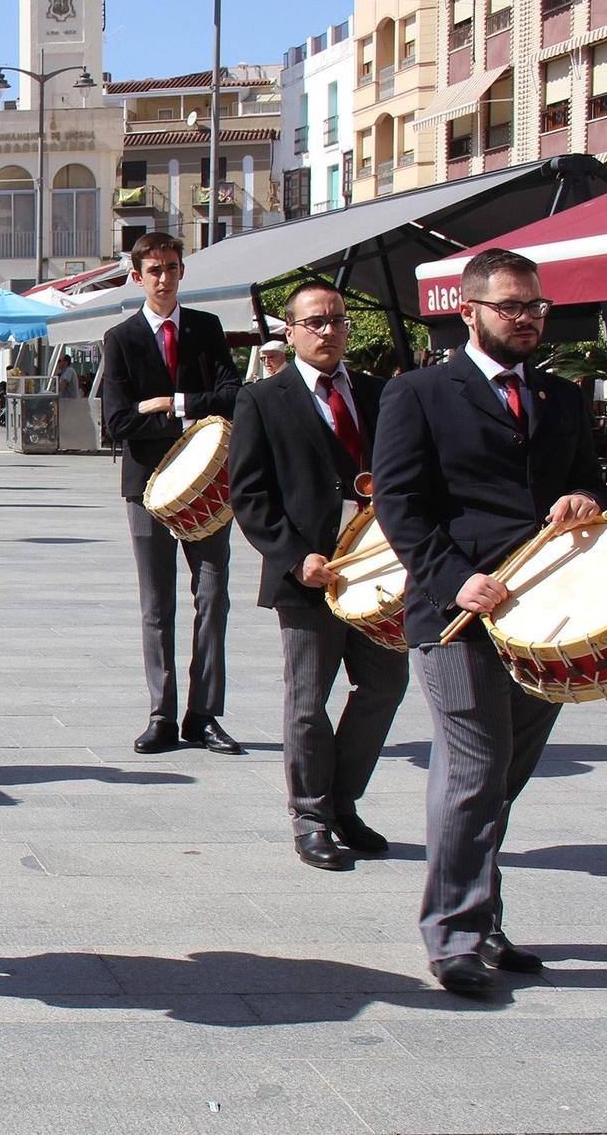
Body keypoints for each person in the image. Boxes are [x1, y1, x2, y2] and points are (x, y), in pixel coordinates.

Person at [372, 249, 605, 995]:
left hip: (543, 616)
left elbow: (588, 484)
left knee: (504, 776)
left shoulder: (562, 398)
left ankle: (483, 915)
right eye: (513, 306)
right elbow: (400, 505)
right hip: (454, 616)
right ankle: (454, 938)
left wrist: (581, 502)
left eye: (536, 306)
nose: (530, 318)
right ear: (468, 310)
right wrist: (454, 580)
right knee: (473, 769)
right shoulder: (418, 394)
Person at [228, 280, 408, 872]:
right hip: (309, 575)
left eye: (335, 319)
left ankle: (342, 802)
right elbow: (249, 495)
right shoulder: (263, 399)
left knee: (383, 686)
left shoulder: (384, 395)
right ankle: (309, 815)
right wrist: (293, 554)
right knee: (308, 701)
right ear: (291, 329)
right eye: (314, 322)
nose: (327, 330)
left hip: (379, 573)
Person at [100, 231, 243, 757]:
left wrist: (169, 402)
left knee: (213, 598)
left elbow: (233, 397)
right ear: (137, 276)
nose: (165, 277)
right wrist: (188, 413)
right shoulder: (121, 338)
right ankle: (161, 712)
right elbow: (116, 423)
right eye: (154, 269)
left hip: (209, 485)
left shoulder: (206, 329)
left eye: (172, 268)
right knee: (157, 605)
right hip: (147, 491)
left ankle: (203, 715)